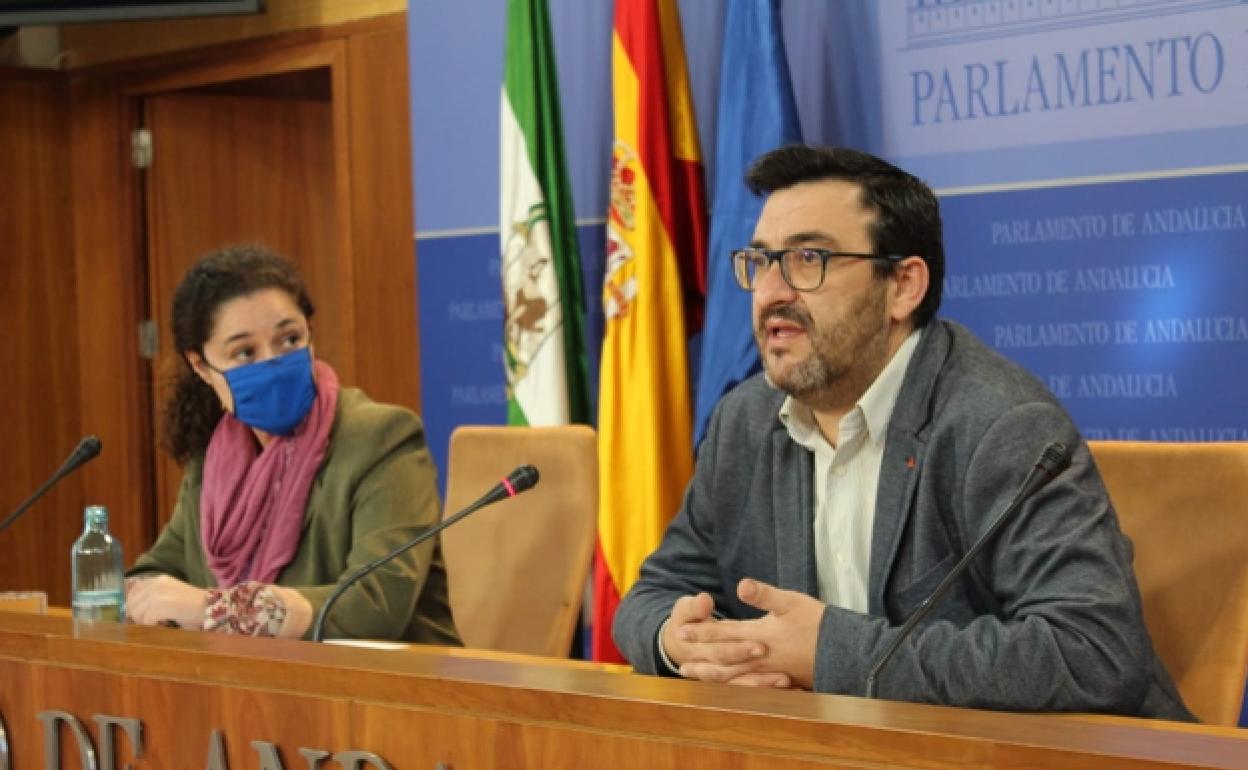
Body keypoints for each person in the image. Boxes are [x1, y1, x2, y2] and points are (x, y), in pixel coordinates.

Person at [612, 145, 1193, 719]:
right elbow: (652, 595)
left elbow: (1093, 654)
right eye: (761, 262)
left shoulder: (999, 424)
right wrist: (678, 642)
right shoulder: (745, 420)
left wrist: (829, 653)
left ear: (903, 286)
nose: (771, 293)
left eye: (808, 258)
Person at [126, 245, 460, 644]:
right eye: (244, 352)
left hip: (389, 690)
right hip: (259, 690)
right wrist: (133, 597)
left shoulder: (382, 439)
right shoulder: (215, 460)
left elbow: (376, 605)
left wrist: (215, 611)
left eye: (288, 340)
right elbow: (154, 573)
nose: (271, 362)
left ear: (310, 336)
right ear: (201, 366)